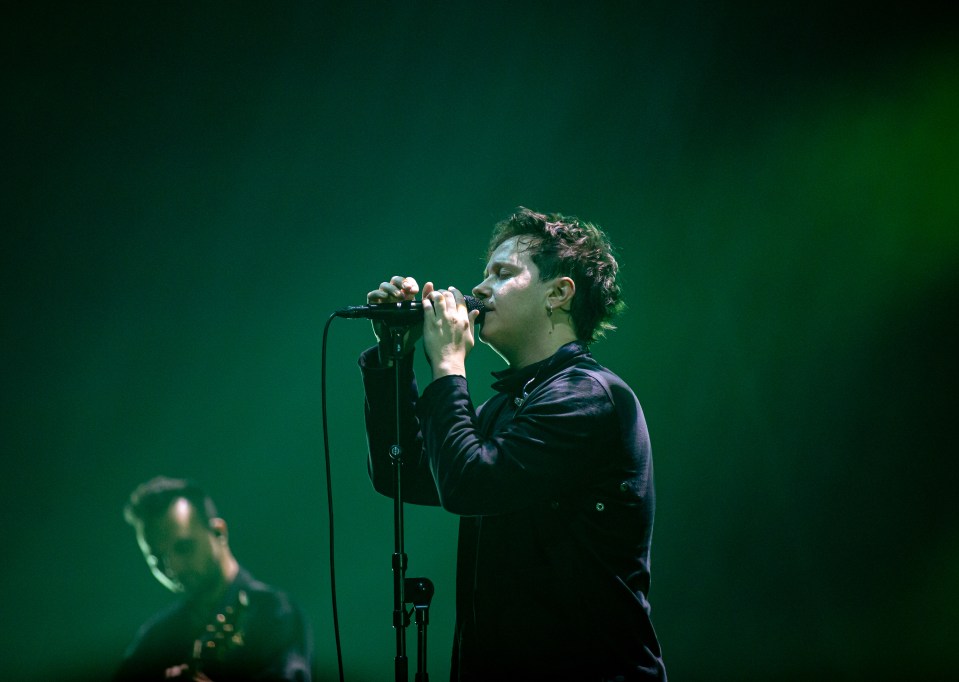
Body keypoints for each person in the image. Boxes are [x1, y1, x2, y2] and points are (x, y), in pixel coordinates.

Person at [358, 207, 667, 681]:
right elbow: (406, 474)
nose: (479, 289)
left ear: (559, 293)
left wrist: (448, 364)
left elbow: (469, 485)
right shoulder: (510, 405)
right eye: (484, 273)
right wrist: (394, 360)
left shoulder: (589, 396)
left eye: (502, 273)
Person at [113, 476, 313, 682]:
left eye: (184, 548)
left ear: (219, 532)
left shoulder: (275, 614)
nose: (173, 568)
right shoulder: (155, 639)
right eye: (157, 559)